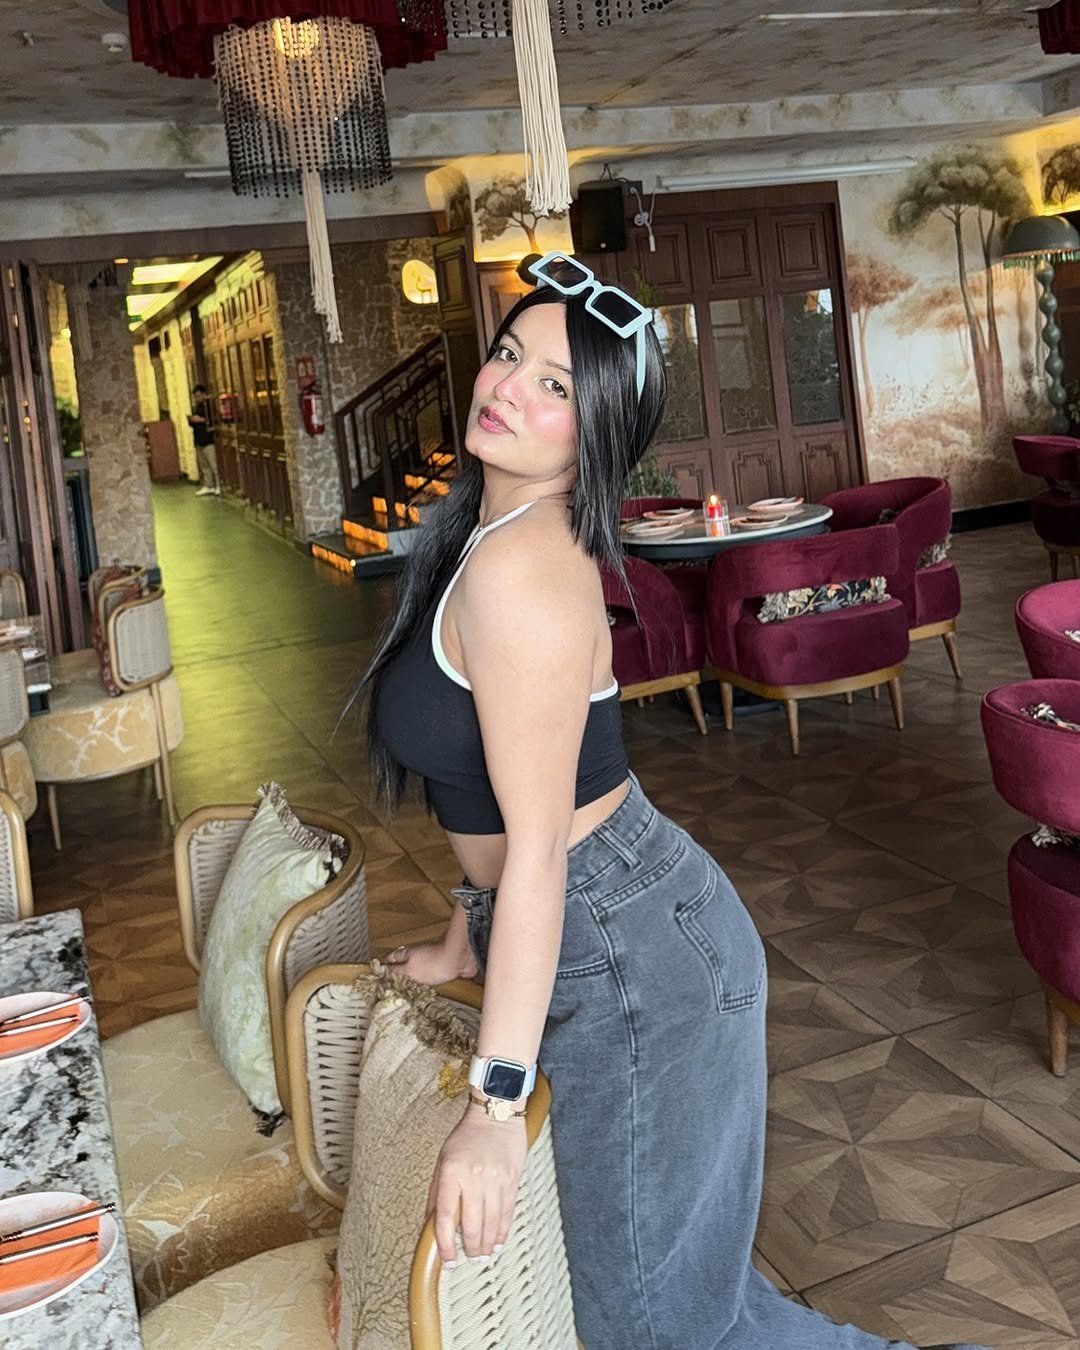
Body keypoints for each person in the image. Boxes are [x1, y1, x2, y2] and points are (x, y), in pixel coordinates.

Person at [358, 255, 987, 1350]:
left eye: (556, 385)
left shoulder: (524, 573)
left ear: (599, 428)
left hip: (632, 953)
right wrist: (468, 931)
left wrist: (494, 1108)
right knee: (682, 1311)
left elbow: (542, 852)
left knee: (659, 1328)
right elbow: (493, 791)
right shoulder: (483, 542)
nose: (507, 387)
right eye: (509, 355)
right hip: (599, 923)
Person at [187, 384, 220, 497]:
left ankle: (218, 485)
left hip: (208, 439)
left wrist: (201, 420)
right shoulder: (196, 407)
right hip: (198, 439)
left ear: (204, 395)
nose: (197, 399)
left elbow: (213, 421)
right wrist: (192, 420)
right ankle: (209, 485)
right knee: (204, 465)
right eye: (195, 397)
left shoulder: (209, 406)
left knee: (213, 464)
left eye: (198, 396)